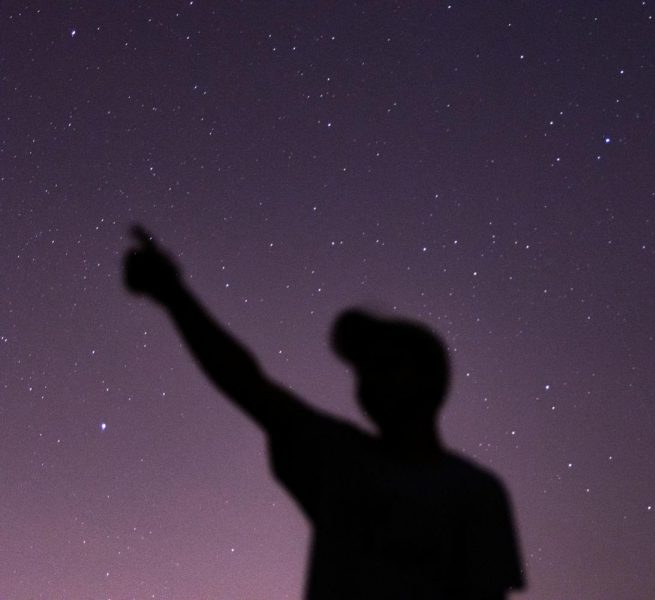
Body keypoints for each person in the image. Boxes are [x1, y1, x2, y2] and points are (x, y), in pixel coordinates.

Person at [124, 226, 525, 599]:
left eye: (386, 366)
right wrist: (175, 296)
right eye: (364, 370)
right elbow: (247, 384)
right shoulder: (338, 456)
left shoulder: (476, 492)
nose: (369, 379)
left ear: (430, 377)